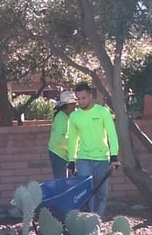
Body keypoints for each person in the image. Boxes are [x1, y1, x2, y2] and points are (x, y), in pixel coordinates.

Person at [67, 82, 120, 218]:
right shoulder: (74, 116)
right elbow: (72, 139)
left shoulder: (103, 112)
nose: (81, 101)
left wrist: (114, 156)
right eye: (78, 98)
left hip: (102, 158)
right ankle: (90, 219)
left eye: (83, 98)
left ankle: (98, 220)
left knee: (102, 193)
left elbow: (112, 134)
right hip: (83, 158)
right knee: (88, 192)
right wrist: (71, 160)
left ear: (91, 96)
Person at [48, 90, 77, 178]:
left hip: (62, 153)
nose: (75, 106)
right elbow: (60, 138)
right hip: (58, 154)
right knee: (61, 181)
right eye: (72, 104)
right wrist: (73, 145)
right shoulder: (61, 117)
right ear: (66, 105)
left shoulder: (66, 116)